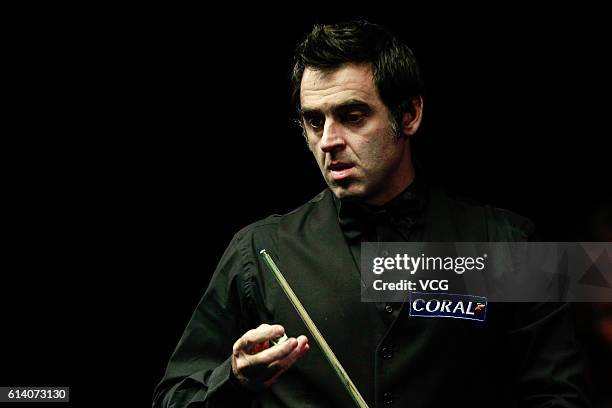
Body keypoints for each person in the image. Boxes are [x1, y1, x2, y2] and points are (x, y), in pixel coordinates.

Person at [153, 20, 589, 407]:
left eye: (353, 116)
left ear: (410, 114)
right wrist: (233, 380)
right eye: (314, 121)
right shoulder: (258, 251)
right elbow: (173, 398)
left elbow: (561, 396)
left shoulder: (509, 244)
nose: (328, 140)